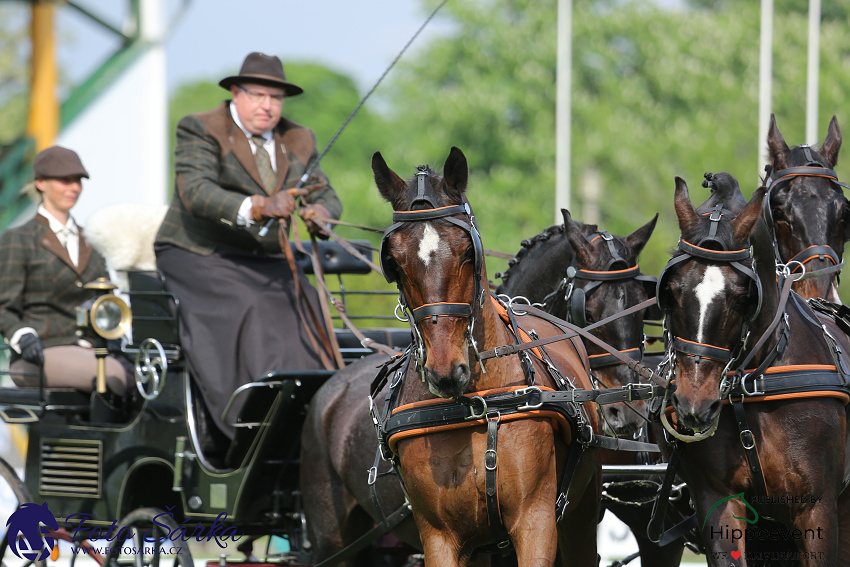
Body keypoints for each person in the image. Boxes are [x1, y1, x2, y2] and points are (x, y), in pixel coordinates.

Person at [154, 52, 343, 439]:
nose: (267, 106)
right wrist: (257, 206)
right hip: (199, 251)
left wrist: (322, 213)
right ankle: (253, 419)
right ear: (236, 94)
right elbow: (196, 192)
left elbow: (324, 192)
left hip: (265, 256)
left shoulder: (298, 137)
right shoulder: (201, 128)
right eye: (258, 95)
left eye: (275, 99)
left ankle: (318, 412)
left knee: (308, 305)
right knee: (254, 306)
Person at [0, 146, 133, 395]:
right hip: (41, 351)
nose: (74, 188)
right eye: (65, 180)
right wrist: (22, 336)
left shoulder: (92, 240)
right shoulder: (18, 239)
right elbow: (3, 307)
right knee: (114, 376)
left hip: (96, 348)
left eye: (78, 181)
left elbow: (106, 301)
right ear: (41, 183)